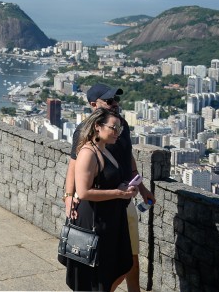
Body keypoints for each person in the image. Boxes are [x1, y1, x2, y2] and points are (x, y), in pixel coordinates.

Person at [64, 83, 156, 292]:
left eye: (116, 99)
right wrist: (68, 197)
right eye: (109, 101)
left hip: (123, 200)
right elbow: (74, 165)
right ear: (94, 105)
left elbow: (128, 158)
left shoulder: (120, 126)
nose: (115, 104)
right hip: (103, 205)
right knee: (109, 263)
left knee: (130, 257)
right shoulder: (85, 133)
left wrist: (142, 188)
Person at [65, 107, 136, 291]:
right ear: (98, 126)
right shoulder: (88, 153)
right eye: (114, 128)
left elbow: (108, 180)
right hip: (95, 221)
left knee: (117, 269)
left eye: (120, 128)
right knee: (96, 277)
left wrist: (127, 188)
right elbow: (84, 192)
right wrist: (119, 193)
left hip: (110, 218)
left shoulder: (105, 150)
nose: (117, 132)